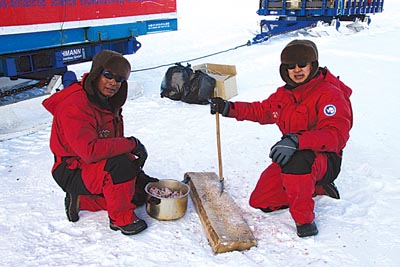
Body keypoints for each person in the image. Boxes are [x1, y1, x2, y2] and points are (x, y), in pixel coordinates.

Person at [210, 39, 353, 237]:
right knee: (261, 201)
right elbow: (261, 111)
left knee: (298, 161)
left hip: (325, 159)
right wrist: (229, 109)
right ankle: (315, 187)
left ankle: (305, 221)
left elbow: (336, 135)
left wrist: (297, 140)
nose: (297, 70)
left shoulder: (329, 93)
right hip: (295, 154)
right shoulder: (284, 95)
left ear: (313, 64)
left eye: (302, 64)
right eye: (290, 66)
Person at [43, 50, 158, 235]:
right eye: (108, 75)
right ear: (97, 73)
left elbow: (111, 143)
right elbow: (90, 150)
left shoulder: (107, 101)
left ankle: (81, 200)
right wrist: (132, 144)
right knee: (120, 168)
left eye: (119, 79)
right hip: (71, 168)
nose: (113, 83)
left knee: (139, 193)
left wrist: (136, 170)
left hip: (91, 165)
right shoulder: (75, 105)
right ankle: (121, 219)